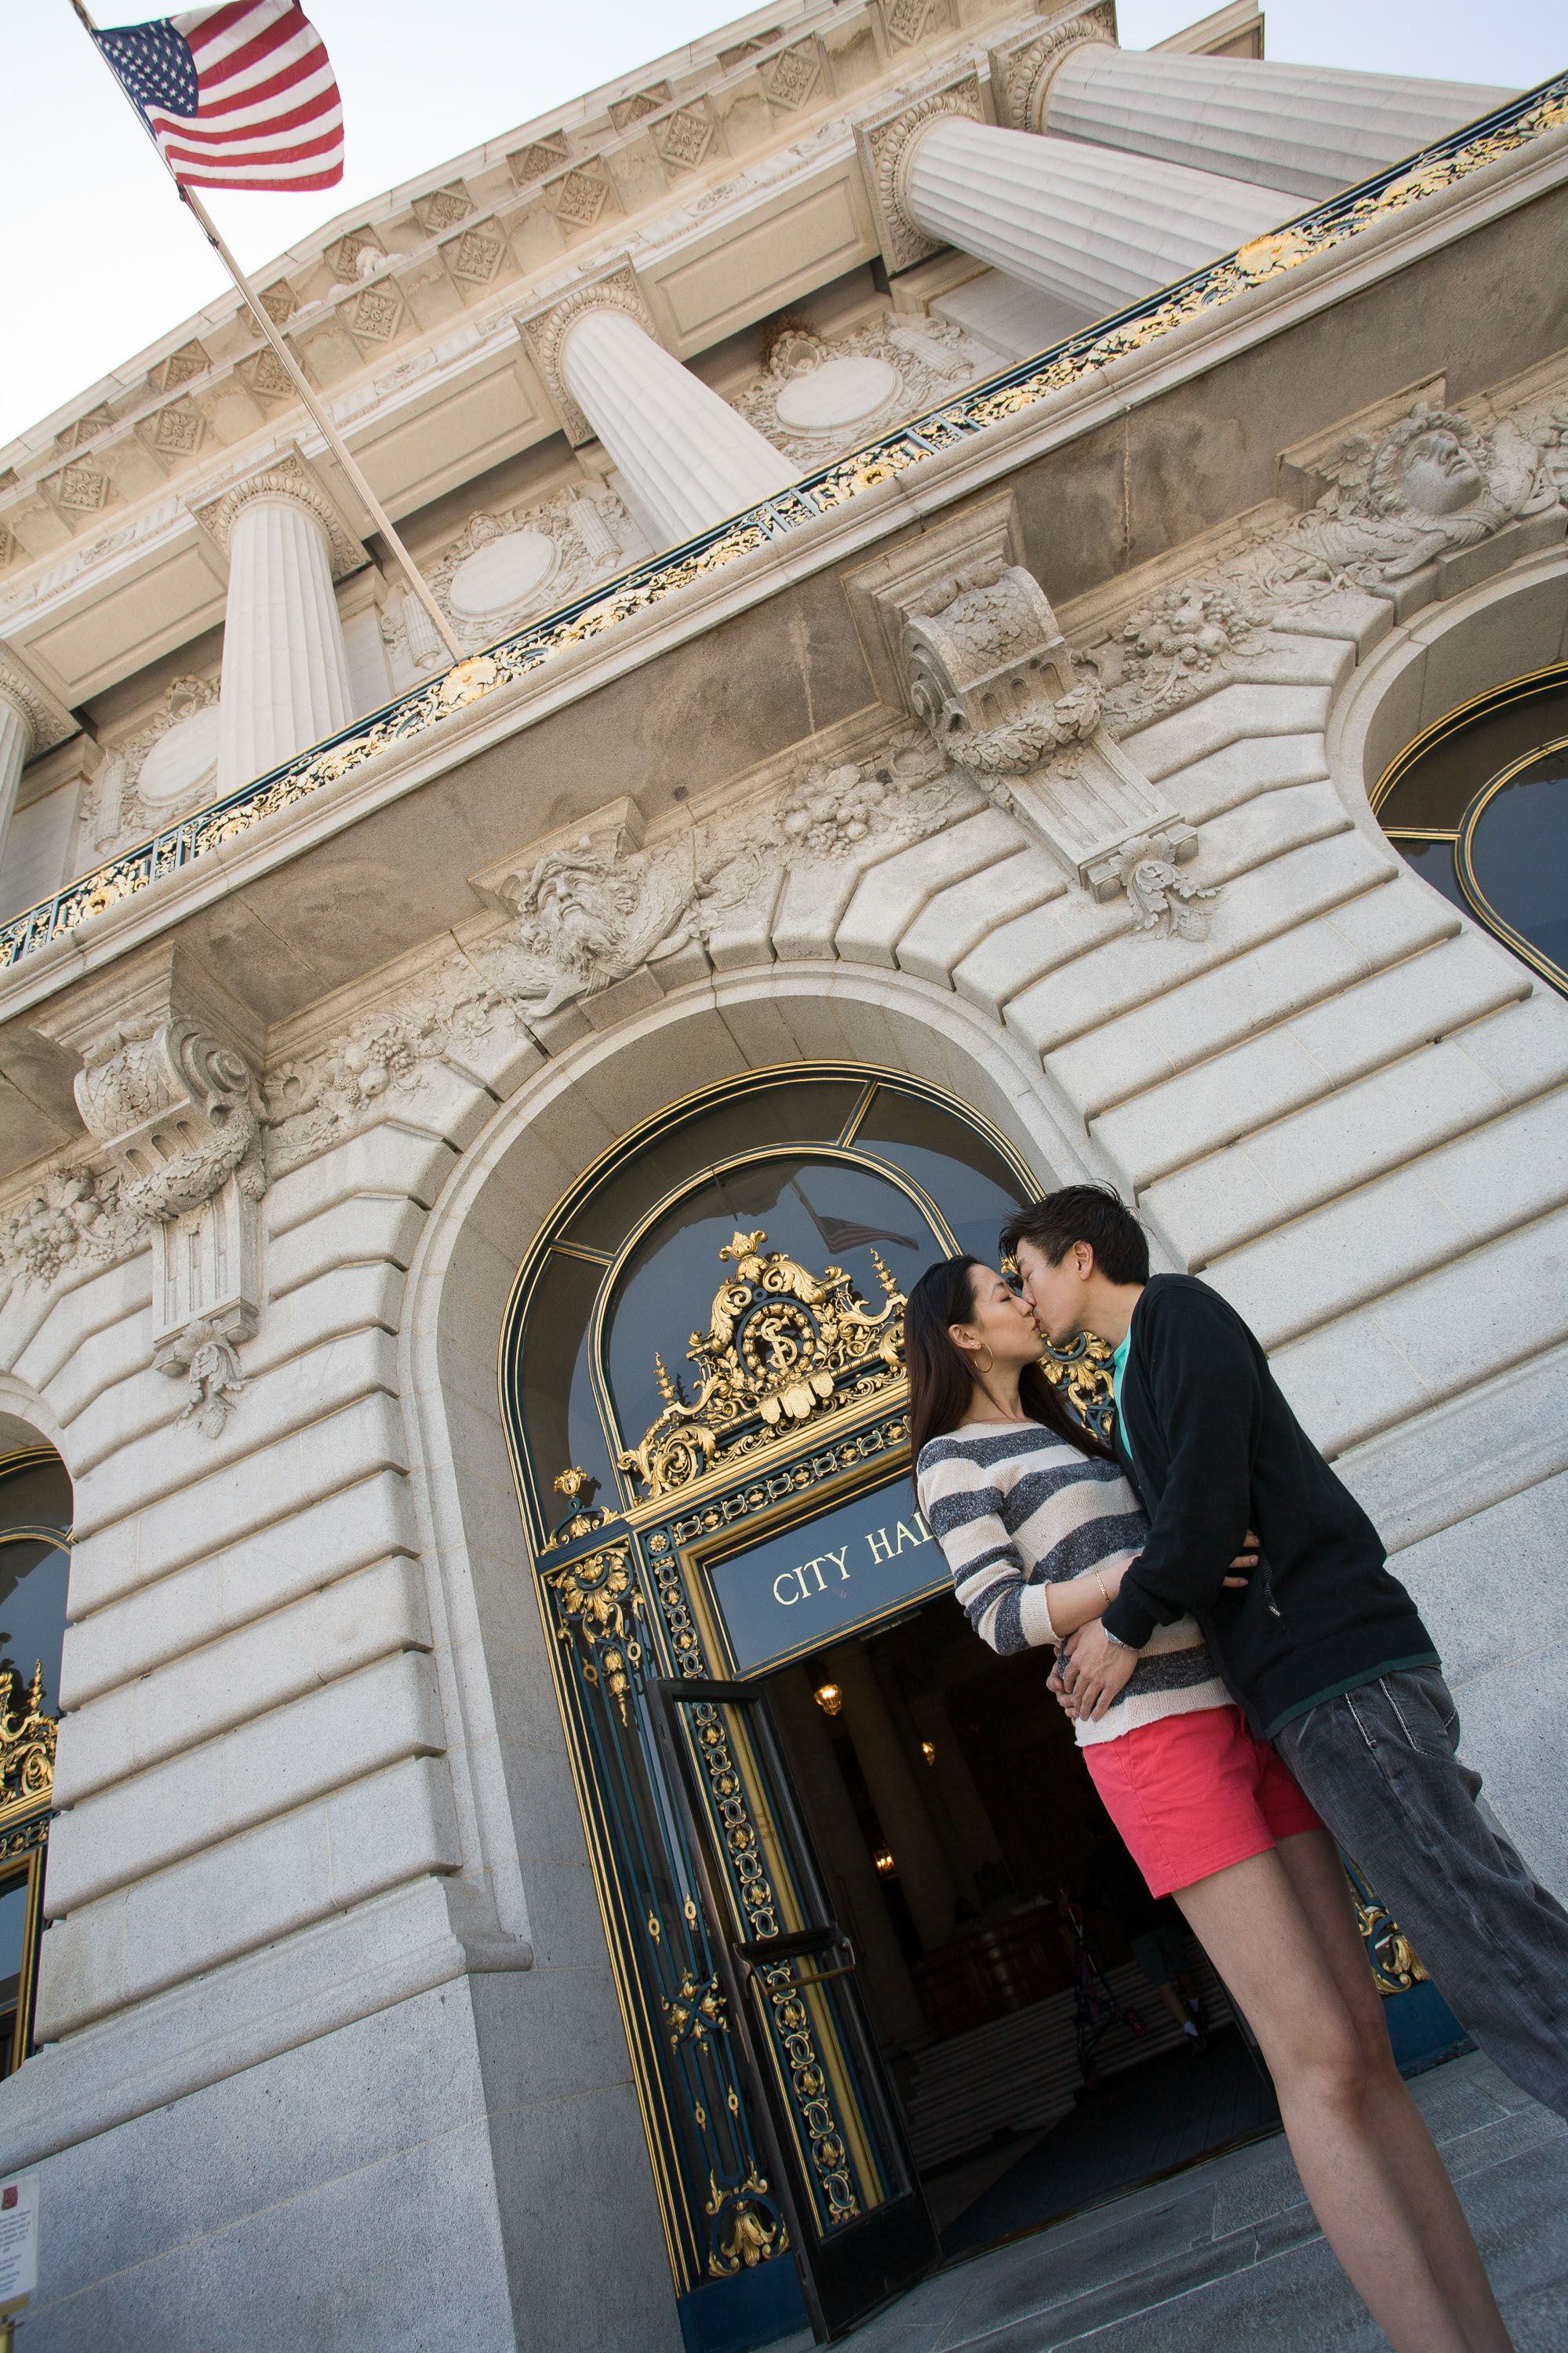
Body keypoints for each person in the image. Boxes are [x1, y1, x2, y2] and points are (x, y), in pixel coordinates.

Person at [908, 1252, 1513, 2353]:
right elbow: (999, 1616)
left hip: (1244, 1704)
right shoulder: (951, 1458)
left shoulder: (1080, 1426)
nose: (1021, 1296)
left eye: (1017, 1277)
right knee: (1317, 2059)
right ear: (958, 1335)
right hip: (1151, 1741)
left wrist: (1162, 1563)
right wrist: (1141, 1574)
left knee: (1364, 2040)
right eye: (1001, 1291)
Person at [1004, 1185, 1568, 2131]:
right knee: (1483, 1913)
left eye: (1026, 1274)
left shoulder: (1178, 1312)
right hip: (1309, 1691)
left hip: (1335, 1669)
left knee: (1479, 1936)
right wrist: (1182, 1547)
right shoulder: (1131, 1371)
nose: (1025, 1298)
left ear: (1081, 1257)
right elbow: (1195, 1517)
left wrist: (1124, 1621)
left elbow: (1207, 1499)